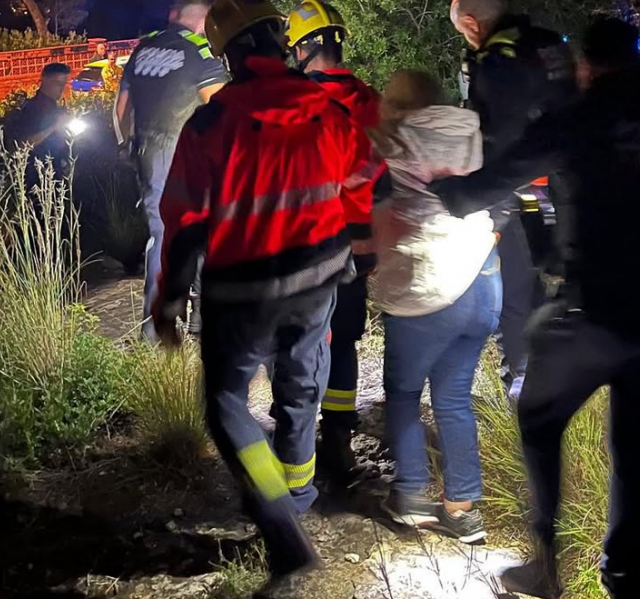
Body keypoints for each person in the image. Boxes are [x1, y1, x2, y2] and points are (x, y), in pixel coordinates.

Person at [432, 18, 640, 599]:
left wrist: (441, 190)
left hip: (598, 308)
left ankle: (545, 568)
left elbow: (495, 181)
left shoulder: (579, 120)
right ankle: (626, 575)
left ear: (587, 66)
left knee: (538, 418)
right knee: (633, 437)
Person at [150, 0, 373, 590]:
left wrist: (170, 300)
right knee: (301, 386)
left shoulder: (210, 122)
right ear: (279, 39)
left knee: (226, 405)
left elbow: (184, 220)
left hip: (242, 290)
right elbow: (361, 182)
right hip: (319, 278)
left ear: (230, 56)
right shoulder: (327, 108)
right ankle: (297, 492)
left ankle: (281, 523)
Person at [370, 69, 500, 545]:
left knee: (403, 393)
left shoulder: (394, 138)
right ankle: (463, 510)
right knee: (453, 395)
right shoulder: (472, 129)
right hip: (483, 277)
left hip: (431, 283)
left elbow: (359, 187)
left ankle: (412, 496)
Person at [449, 0, 576, 403]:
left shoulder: (498, 61)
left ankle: (522, 387)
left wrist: (468, 194)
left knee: (515, 293)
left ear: (471, 22)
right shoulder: (547, 43)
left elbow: (503, 143)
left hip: (520, 196)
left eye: (464, 31)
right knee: (559, 283)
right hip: (570, 190)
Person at [286, 0, 385, 482]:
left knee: (302, 343)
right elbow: (384, 172)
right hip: (357, 245)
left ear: (304, 47)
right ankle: (338, 442)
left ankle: (297, 452)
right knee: (343, 342)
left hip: (306, 245)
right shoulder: (368, 98)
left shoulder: (291, 100)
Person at [114, 0, 228, 343]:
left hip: (149, 153)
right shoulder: (199, 52)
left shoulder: (143, 48)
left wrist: (127, 148)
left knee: (163, 236)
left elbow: (121, 110)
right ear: (203, 19)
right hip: (186, 154)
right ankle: (167, 330)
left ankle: (167, 326)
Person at [10, 63, 74, 168]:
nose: (62, 89)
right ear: (45, 80)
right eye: (58, 83)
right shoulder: (31, 109)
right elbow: (21, 146)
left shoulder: (55, 108)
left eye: (64, 84)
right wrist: (54, 127)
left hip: (55, 171)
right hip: (36, 173)